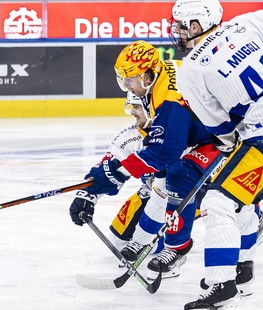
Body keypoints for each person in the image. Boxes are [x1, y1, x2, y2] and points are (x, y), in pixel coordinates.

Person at [170, 0, 263, 310]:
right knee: (242, 201)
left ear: (196, 23)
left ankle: (223, 293)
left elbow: (219, 126)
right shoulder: (247, 24)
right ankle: (243, 270)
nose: (176, 32)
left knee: (220, 203)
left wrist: (230, 141)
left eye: (180, 25)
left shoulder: (190, 69)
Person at [69, 42, 222, 279]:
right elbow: (110, 163)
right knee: (124, 231)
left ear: (147, 76)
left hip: (213, 141)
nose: (132, 110)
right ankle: (146, 239)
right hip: (191, 146)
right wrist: (88, 192)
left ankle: (175, 247)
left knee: (178, 182)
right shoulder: (156, 89)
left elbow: (164, 152)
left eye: (130, 80)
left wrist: (121, 170)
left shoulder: (169, 105)